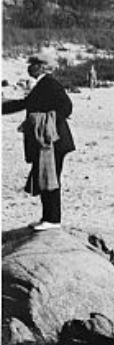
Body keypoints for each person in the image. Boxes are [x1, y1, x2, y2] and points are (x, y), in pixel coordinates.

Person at [2, 51, 76, 230]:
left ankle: (52, 219)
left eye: (33, 64)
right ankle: (47, 217)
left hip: (53, 141)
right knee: (44, 177)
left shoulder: (50, 84)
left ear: (41, 67)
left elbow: (67, 107)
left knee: (51, 178)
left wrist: (46, 121)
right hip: (47, 142)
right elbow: (25, 104)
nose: (29, 67)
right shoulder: (41, 84)